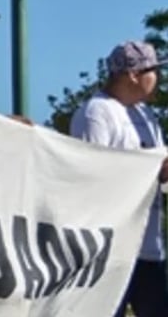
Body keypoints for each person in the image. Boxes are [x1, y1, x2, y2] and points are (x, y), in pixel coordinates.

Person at [71, 41, 168, 317]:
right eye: (153, 70)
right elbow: (90, 175)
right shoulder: (96, 112)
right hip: (112, 250)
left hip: (149, 246)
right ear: (133, 74)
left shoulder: (146, 115)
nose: (158, 78)